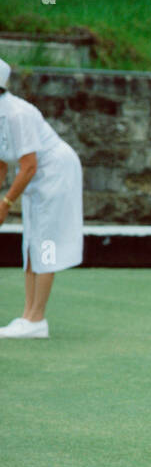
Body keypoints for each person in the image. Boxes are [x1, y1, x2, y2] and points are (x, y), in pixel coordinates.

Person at [0, 58, 84, 338]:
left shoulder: (16, 114)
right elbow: (2, 162)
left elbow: (29, 164)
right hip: (37, 178)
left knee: (46, 240)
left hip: (55, 173)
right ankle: (28, 316)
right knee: (32, 239)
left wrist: (6, 203)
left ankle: (37, 319)